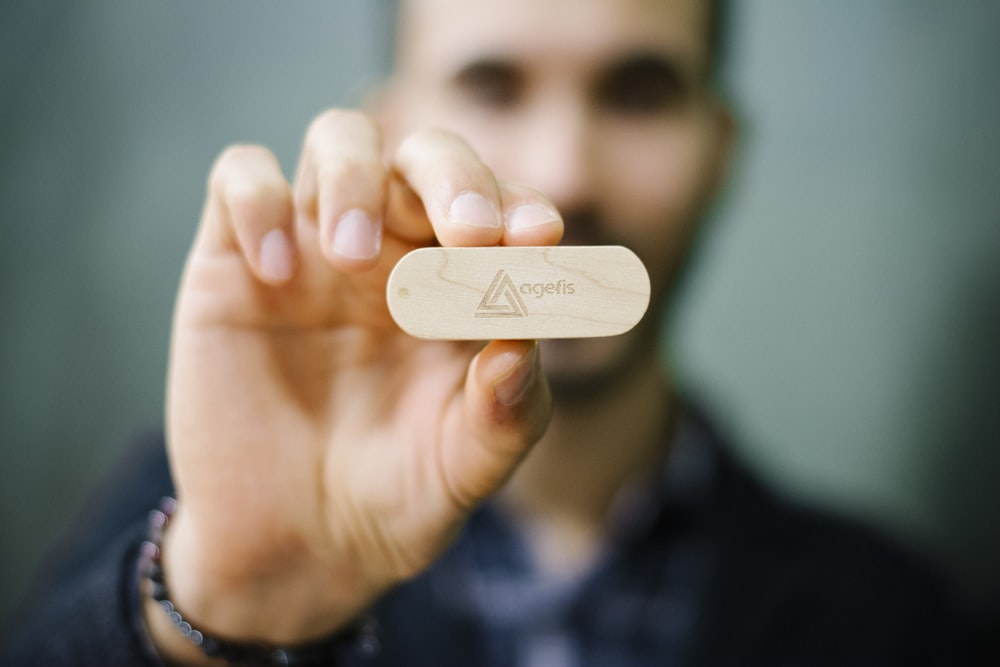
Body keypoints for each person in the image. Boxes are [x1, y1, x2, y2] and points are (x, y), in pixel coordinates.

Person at [0, 0, 968, 665]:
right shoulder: (189, 526)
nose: (565, 171)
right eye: (492, 86)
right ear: (389, 126)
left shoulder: (888, 616)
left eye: (637, 90)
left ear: (720, 151)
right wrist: (226, 606)